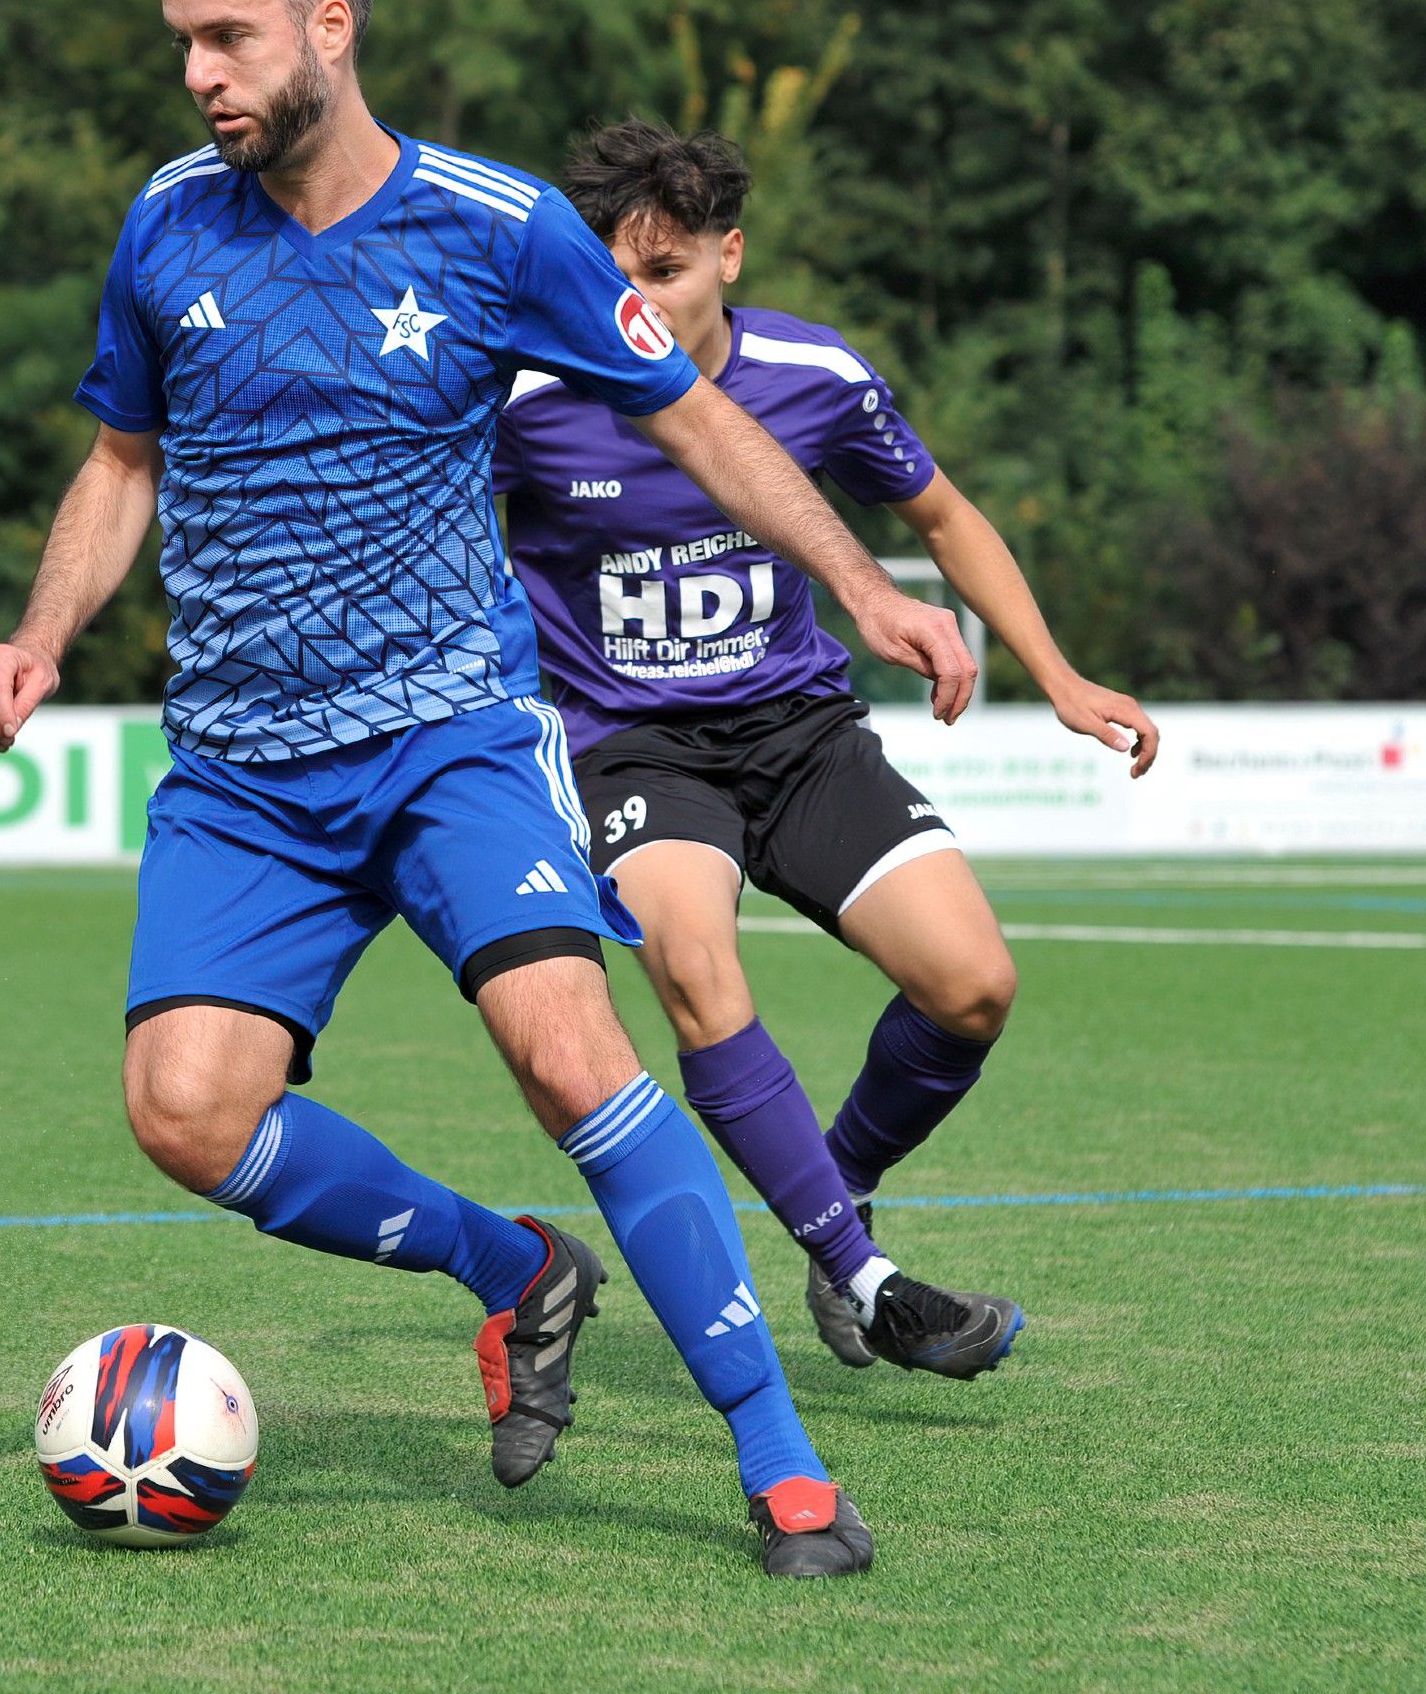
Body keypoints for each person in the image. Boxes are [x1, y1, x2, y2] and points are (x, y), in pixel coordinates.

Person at [0, 0, 976, 1577]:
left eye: (228, 34)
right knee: (186, 1113)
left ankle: (781, 1464)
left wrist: (862, 588)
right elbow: (121, 459)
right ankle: (512, 1272)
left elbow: (700, 420)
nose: (199, 72)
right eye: (181, 41)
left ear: (328, 26)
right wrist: (39, 633)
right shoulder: (163, 225)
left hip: (454, 735)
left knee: (572, 1050)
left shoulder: (498, 227)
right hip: (240, 769)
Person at [496, 120, 1159, 1378]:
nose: (634, 303)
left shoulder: (814, 374)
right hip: (630, 750)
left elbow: (942, 512)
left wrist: (1059, 676)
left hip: (799, 735)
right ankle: (869, 1279)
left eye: (667, 270)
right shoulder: (525, 396)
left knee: (972, 986)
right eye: (613, 275)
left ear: (728, 255)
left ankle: (830, 1200)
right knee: (694, 969)